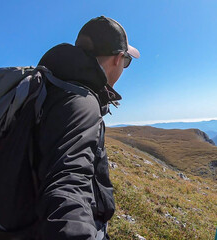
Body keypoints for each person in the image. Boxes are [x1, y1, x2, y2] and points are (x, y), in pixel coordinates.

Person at [34, 16, 140, 239]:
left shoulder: (52, 86)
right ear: (117, 59)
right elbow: (67, 187)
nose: (124, 66)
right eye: (127, 61)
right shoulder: (81, 102)